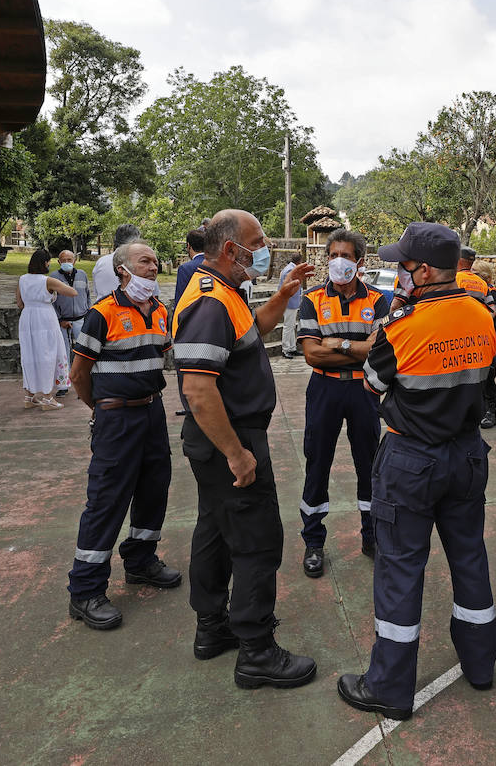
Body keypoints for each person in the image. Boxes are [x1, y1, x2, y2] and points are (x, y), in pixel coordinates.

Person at [336, 222, 496, 721]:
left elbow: (372, 383)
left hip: (411, 460)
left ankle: (388, 687)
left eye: (402, 267)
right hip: (467, 455)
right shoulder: (482, 313)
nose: (397, 275)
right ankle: (480, 663)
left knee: (401, 567)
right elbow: (483, 377)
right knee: (469, 555)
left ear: (423, 271)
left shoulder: (402, 324)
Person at [173, 209, 319, 689]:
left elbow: (253, 329)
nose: (265, 250)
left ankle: (212, 627)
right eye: (258, 243)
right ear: (231, 249)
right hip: (228, 439)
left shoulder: (227, 291)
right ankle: (257, 650)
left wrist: (283, 295)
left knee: (215, 531)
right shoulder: (209, 301)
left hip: (223, 438)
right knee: (257, 541)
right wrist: (237, 453)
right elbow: (198, 390)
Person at [66, 241, 182, 630]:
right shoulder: (102, 313)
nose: (153, 267)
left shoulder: (161, 311)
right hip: (117, 417)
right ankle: (85, 591)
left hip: (152, 412)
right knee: (107, 499)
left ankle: (141, 560)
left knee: (154, 488)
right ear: (122, 270)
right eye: (144, 261)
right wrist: (101, 408)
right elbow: (79, 374)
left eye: (155, 261)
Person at [295, 228, 388, 578]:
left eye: (345, 256)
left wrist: (338, 344)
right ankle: (313, 542)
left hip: (364, 390)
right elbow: (311, 354)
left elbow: (379, 353)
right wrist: (359, 349)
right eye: (332, 255)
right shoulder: (312, 298)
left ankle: (371, 537)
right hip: (325, 389)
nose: (337, 262)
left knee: (369, 464)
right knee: (317, 462)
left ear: (359, 261)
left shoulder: (377, 300)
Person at [16, 249, 77, 409]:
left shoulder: (22, 279)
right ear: (45, 263)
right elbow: (72, 292)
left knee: (30, 355)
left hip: (27, 318)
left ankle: (29, 396)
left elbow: (20, 303)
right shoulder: (48, 281)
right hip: (44, 318)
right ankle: (48, 398)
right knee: (47, 354)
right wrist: (56, 288)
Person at [456, 246, 496, 428]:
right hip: (471, 340)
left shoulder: (491, 290)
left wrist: (493, 329)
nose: (472, 275)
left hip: (486, 340)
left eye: (476, 273)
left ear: (485, 276)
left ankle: (490, 411)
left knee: (487, 377)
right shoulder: (476, 287)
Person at [50, 250, 92, 396]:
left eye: (69, 259)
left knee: (84, 352)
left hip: (81, 319)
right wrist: (60, 319)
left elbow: (87, 295)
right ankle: (63, 385)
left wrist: (89, 312)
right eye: (64, 260)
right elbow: (51, 301)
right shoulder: (53, 277)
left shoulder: (82, 274)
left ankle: (85, 382)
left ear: (74, 261)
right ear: (59, 262)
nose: (67, 262)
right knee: (63, 353)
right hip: (63, 321)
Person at [170, 228, 208, 315]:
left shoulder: (185, 268)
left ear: (188, 246)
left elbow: (180, 299)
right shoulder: (215, 265)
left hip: (193, 316)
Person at [278, 256, 303, 359]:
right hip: (289, 302)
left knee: (292, 325)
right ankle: (285, 349)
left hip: (292, 301)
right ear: (299, 261)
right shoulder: (290, 270)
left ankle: (292, 348)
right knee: (288, 326)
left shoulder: (290, 268)